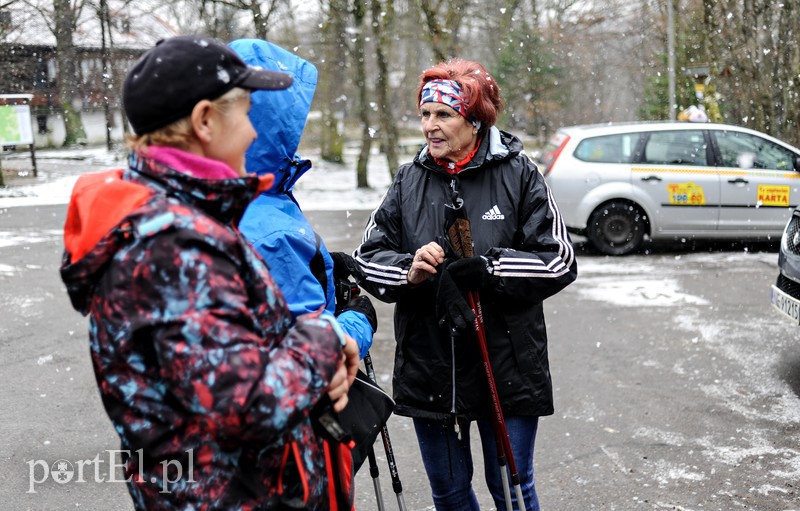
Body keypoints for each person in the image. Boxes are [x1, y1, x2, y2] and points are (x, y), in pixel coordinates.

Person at [59, 35, 359, 510]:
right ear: (204, 121)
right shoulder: (174, 246)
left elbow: (225, 359)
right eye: (243, 112)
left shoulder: (186, 221)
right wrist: (325, 339)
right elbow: (249, 404)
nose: (253, 133)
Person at [353, 58, 578, 510]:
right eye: (424, 114)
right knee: (450, 496)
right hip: (432, 367)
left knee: (512, 490)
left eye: (443, 115)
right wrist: (408, 270)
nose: (429, 126)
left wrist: (492, 269)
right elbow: (367, 258)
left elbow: (559, 261)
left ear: (473, 120)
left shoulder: (519, 174)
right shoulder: (408, 180)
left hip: (506, 366)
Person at [228, 38, 376, 359]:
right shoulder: (269, 229)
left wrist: (319, 266)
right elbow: (314, 355)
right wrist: (357, 321)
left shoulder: (241, 194)